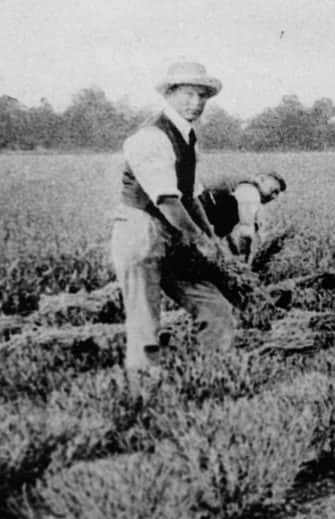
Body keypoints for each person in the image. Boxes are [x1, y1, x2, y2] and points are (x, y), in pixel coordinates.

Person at [111, 61, 236, 370]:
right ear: (169, 93)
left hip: (174, 233)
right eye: (188, 95)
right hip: (142, 234)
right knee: (145, 321)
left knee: (215, 308)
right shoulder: (151, 138)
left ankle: (213, 373)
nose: (196, 104)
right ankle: (143, 391)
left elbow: (190, 197)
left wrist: (210, 237)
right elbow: (167, 200)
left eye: (202, 97)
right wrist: (197, 239)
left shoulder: (187, 139)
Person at [197, 172, 287, 262]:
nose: (274, 197)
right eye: (273, 190)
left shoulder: (243, 188)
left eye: (277, 194)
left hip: (200, 214)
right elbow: (246, 231)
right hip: (198, 215)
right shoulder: (251, 192)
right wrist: (243, 263)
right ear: (262, 179)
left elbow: (230, 233)